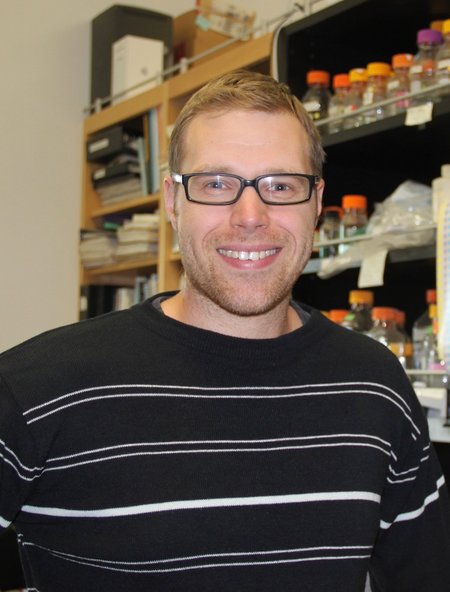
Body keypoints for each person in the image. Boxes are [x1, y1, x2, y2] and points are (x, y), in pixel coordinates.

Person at [0, 69, 449, 592]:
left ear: (317, 202)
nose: (251, 215)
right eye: (216, 184)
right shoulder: (37, 390)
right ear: (172, 201)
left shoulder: (376, 385)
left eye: (281, 185)